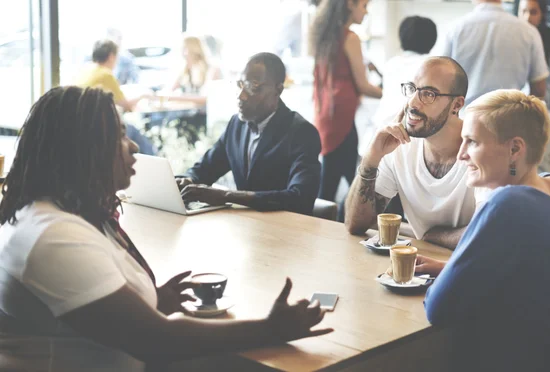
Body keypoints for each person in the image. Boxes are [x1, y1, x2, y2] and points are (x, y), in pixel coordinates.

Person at [0, 86, 332, 372]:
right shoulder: (53, 237)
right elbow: (155, 340)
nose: (132, 146)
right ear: (80, 149)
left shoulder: (60, 213)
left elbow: (98, 316)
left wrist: (151, 299)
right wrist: (271, 328)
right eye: (118, 134)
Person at [419, 90, 550, 371]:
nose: (460, 154)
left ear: (515, 149)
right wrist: (454, 269)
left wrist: (454, 274)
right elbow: (534, 279)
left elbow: (438, 308)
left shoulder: (509, 203)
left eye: (472, 142)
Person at [345, 57, 480, 250]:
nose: (413, 102)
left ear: (456, 105)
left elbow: (491, 231)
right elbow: (355, 224)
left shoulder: (483, 149)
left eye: (429, 94)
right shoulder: (398, 145)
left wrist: (432, 236)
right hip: (420, 268)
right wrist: (371, 159)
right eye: (411, 89)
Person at [176, 53, 322, 216]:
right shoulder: (237, 125)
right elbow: (205, 169)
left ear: (278, 89)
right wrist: (187, 180)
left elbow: (301, 198)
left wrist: (226, 196)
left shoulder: (301, 133)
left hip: (285, 230)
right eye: (240, 85)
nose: (241, 96)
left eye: (253, 86)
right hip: (245, 227)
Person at [310, 0, 382, 214]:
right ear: (350, 4)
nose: (366, 11)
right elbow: (362, 85)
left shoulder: (325, 36)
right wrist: (391, 96)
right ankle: (349, 221)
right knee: (350, 182)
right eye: (364, 5)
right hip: (341, 118)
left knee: (334, 179)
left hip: (328, 114)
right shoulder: (350, 37)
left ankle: (333, 222)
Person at [441, 0, 549, 107]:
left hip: (465, 116)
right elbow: (539, 90)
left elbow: (440, 80)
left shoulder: (454, 28)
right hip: (510, 116)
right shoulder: (529, 32)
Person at [76, 39, 156, 155]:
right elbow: (126, 105)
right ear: (111, 56)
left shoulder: (85, 70)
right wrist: (143, 96)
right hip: (95, 126)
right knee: (136, 137)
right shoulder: (105, 74)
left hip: (80, 125)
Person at [373, 16, 437, 128]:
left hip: (382, 124)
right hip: (408, 127)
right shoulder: (430, 66)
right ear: (432, 40)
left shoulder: (391, 63)